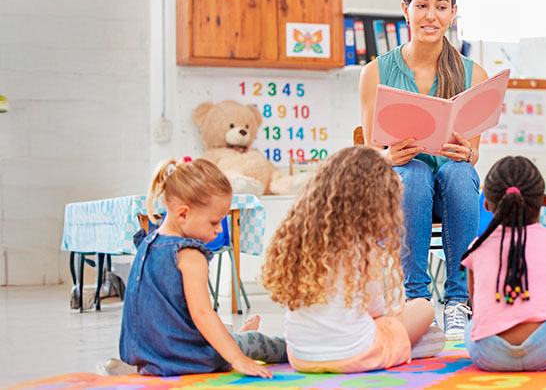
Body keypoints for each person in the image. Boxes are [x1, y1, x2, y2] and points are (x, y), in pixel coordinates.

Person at [358, 0, 489, 340]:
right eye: (422, 5)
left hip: (453, 190)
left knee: (459, 173)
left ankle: (458, 301)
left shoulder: (472, 72)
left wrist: (467, 154)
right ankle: (418, 301)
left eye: (441, 7)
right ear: (406, 10)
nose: (431, 15)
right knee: (413, 172)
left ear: (452, 14)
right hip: (401, 189)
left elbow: (473, 154)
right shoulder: (375, 72)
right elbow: (370, 155)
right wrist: (387, 157)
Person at [260, 146, 445, 373]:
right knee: (424, 307)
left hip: (301, 356)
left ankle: (403, 345)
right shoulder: (359, 244)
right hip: (356, 355)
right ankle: (406, 348)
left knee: (387, 320)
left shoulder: (300, 238)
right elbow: (375, 308)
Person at [118, 157, 285, 377]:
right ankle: (297, 348)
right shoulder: (189, 255)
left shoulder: (146, 244)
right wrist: (237, 359)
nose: (218, 230)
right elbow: (202, 314)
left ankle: (235, 336)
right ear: (183, 213)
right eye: (214, 222)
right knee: (259, 343)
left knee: (222, 330)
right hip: (187, 357)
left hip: (148, 356)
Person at [460, 156, 546, 372]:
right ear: (545, 201)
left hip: (489, 354)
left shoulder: (476, 248)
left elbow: (477, 306)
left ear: (487, 205)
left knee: (472, 326)